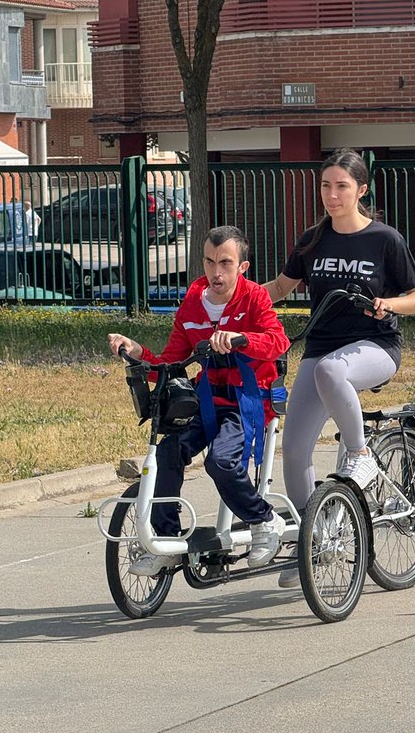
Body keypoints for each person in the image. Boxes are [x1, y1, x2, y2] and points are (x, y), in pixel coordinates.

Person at [261, 149, 415, 587]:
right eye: (326, 186)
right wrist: (227, 299)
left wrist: (389, 304)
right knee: (294, 450)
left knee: (331, 372)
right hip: (322, 347)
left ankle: (360, 455)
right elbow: (280, 287)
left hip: (376, 345)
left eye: (341, 186)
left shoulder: (384, 239)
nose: (332, 195)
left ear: (362, 190)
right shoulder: (312, 240)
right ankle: (315, 541)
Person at [108, 225, 290, 576]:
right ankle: (165, 539)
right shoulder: (193, 303)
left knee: (220, 461)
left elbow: (278, 342)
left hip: (249, 402)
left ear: (242, 267)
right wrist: (137, 352)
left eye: (225, 263)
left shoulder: (254, 298)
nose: (216, 272)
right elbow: (171, 364)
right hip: (207, 401)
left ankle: (264, 520)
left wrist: (241, 339)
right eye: (209, 262)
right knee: (166, 453)